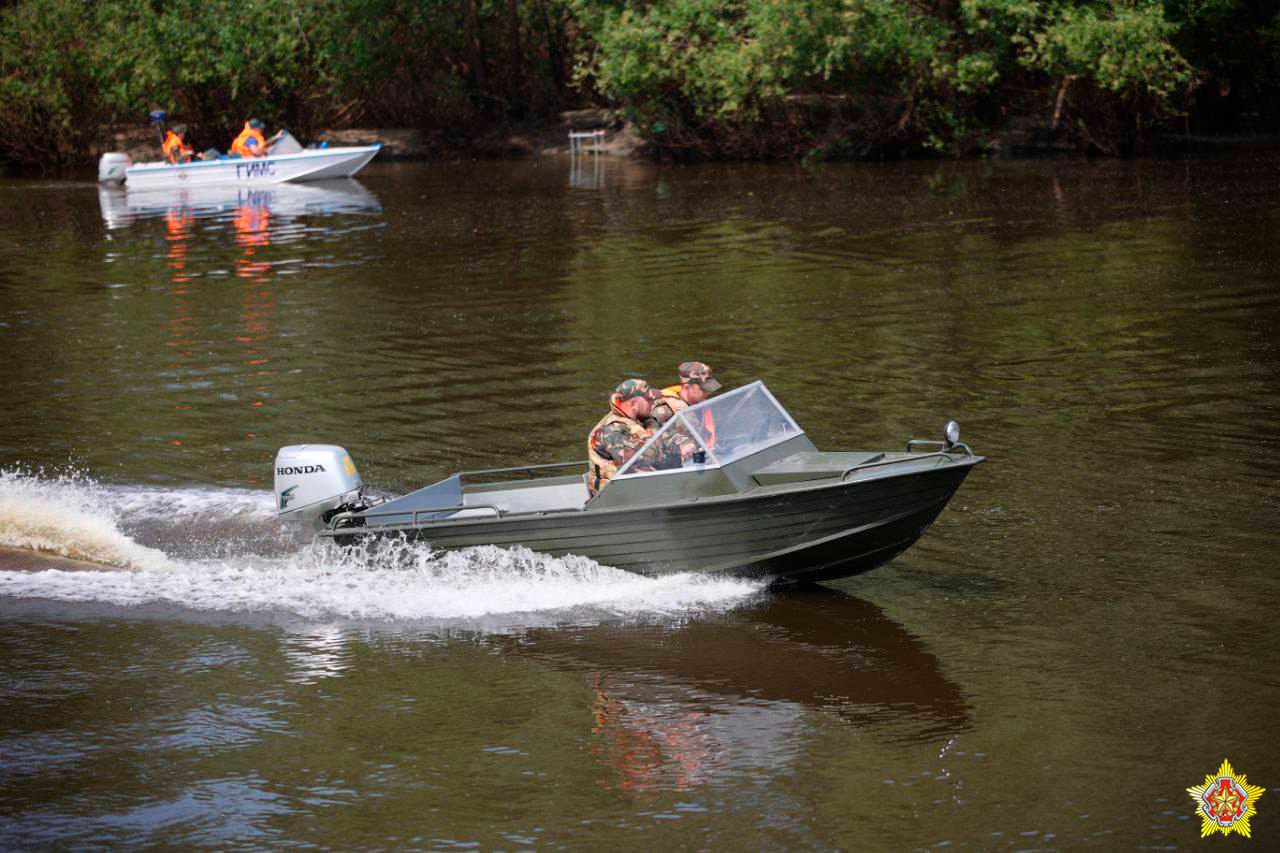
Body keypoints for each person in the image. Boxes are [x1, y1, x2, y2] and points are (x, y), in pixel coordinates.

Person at [587, 379, 658, 496]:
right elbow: (636, 467)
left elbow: (663, 441)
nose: (653, 401)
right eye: (648, 399)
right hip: (612, 496)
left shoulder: (640, 419)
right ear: (633, 404)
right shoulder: (613, 430)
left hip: (632, 488)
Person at [651, 361, 722, 427]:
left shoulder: (700, 406)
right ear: (686, 388)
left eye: (709, 387)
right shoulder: (665, 412)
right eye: (703, 389)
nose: (709, 392)